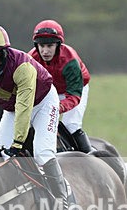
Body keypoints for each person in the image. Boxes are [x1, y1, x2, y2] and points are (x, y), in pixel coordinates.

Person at [0, 23, 74, 210]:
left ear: (3, 52)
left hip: (43, 102)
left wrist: (18, 142)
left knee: (42, 153)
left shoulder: (22, 67)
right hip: (13, 108)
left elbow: (24, 107)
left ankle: (63, 206)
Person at [28, 19, 92, 153]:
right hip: (50, 90)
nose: (45, 51)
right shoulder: (30, 59)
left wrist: (59, 107)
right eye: (41, 46)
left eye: (50, 46)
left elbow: (74, 95)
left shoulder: (70, 60)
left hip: (75, 90)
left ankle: (90, 156)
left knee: (71, 125)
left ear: (58, 45)